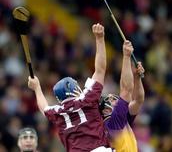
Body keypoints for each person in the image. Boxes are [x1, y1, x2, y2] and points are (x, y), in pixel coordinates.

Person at [28, 23, 115, 152]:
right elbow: (100, 70)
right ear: (74, 89)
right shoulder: (87, 98)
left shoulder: (57, 112)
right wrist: (100, 39)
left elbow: (43, 107)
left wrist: (37, 88)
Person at [100, 40, 145, 152]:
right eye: (112, 100)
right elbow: (126, 91)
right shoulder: (112, 123)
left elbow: (138, 100)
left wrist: (137, 78)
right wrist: (126, 56)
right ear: (105, 110)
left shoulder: (122, 119)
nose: (116, 100)